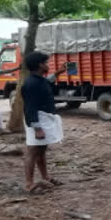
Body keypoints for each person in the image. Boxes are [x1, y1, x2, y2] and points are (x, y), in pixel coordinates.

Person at [22, 52, 67, 192]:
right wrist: (37, 128)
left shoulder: (38, 80)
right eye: (46, 63)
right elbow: (30, 108)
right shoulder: (31, 84)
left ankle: (45, 177)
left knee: (41, 150)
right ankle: (29, 184)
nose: (48, 65)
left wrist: (59, 72)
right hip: (37, 120)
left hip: (43, 119)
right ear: (40, 65)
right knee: (33, 151)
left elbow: (46, 82)